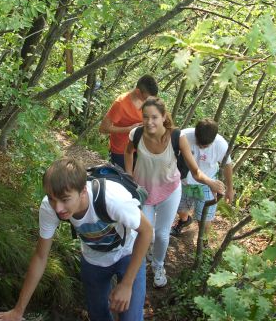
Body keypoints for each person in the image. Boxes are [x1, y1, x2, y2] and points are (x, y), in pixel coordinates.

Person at [0, 158, 152, 321]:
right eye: (52, 198)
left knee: (131, 316)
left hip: (128, 253)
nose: (58, 208)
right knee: (97, 314)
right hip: (93, 258)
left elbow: (146, 231)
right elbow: (40, 256)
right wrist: (18, 311)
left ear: (83, 192)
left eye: (65, 199)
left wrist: (127, 283)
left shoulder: (113, 199)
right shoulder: (49, 207)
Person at [124, 98, 225, 288]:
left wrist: (211, 182)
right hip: (143, 192)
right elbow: (128, 152)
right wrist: (129, 175)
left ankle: (158, 265)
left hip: (169, 191)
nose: (149, 122)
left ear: (163, 117)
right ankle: (144, 256)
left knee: (162, 235)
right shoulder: (136, 134)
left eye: (154, 117)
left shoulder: (177, 138)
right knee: (143, 233)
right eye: (145, 117)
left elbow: (195, 171)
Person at [171, 119, 234, 245]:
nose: (201, 147)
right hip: (184, 181)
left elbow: (227, 165)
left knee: (204, 218)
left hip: (208, 183)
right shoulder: (184, 136)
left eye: (205, 146)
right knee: (179, 208)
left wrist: (230, 189)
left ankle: (202, 242)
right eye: (199, 143)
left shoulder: (220, 144)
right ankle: (184, 220)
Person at [99, 74, 158, 170]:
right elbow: (103, 128)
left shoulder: (149, 101)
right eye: (146, 98)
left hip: (141, 149)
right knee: (123, 181)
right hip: (121, 151)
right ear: (138, 91)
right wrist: (129, 129)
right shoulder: (121, 103)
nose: (149, 101)